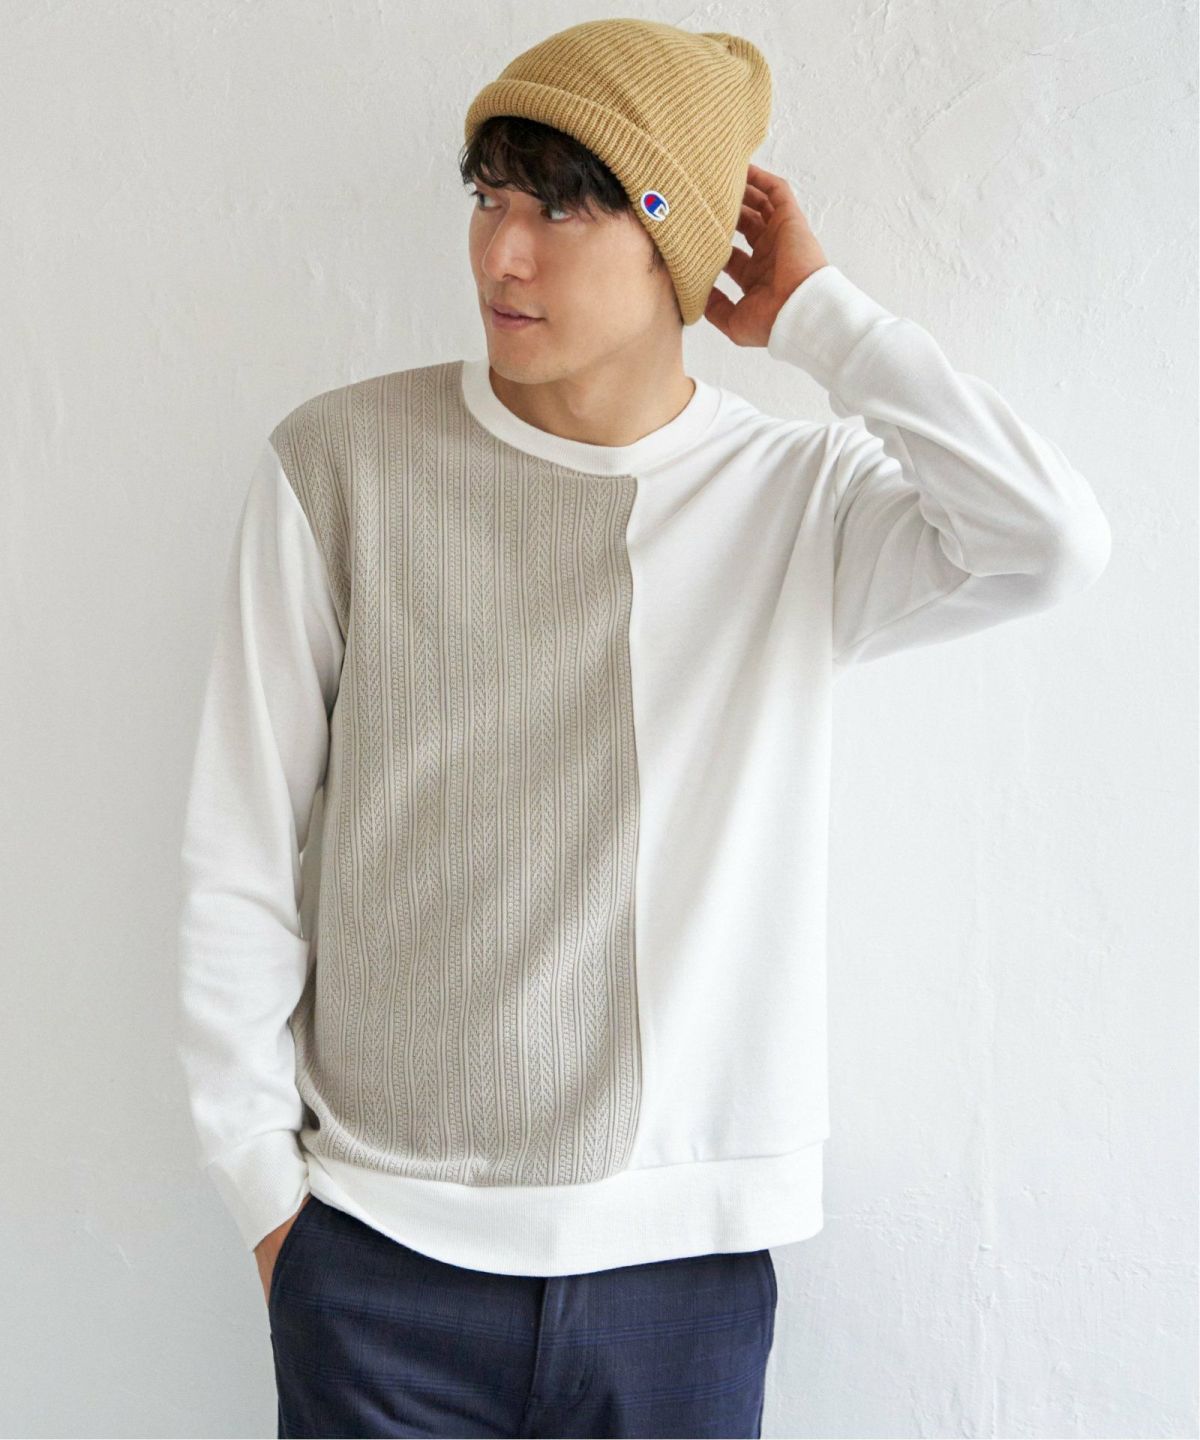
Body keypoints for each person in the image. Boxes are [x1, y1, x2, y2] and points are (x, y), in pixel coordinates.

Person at [174, 18, 1112, 1439]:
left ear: (679, 237)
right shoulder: (341, 464)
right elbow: (239, 851)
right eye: (490, 196)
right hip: (380, 1258)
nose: (503, 254)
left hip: (683, 1268)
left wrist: (817, 317)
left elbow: (1046, 541)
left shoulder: (797, 502)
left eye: (565, 207)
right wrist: (265, 1200)